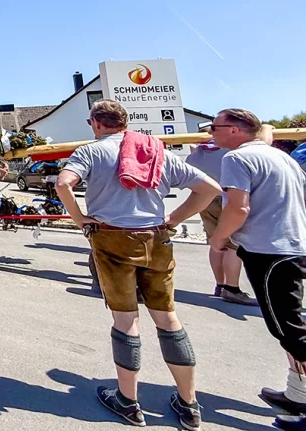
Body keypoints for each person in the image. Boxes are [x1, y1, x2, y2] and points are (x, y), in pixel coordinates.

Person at [55, 100, 221, 429]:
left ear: (96, 123)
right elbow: (209, 189)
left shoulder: (91, 152)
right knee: (167, 318)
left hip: (112, 238)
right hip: (156, 238)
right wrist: (173, 218)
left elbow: (63, 184)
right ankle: (189, 404)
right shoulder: (155, 150)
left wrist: (82, 220)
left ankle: (128, 401)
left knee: (126, 320)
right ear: (125, 122)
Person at [205, 109, 306, 430]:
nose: (210, 133)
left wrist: (220, 238)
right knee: (289, 326)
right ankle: (298, 393)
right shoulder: (281, 157)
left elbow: (239, 207)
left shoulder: (236, 159)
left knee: (290, 330)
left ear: (235, 130)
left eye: (215, 127)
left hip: (270, 251)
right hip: (290, 246)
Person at [187, 123, 274, 305]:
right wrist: (266, 128)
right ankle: (232, 288)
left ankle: (220, 285)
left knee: (215, 242)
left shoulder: (195, 156)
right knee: (233, 244)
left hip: (206, 200)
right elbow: (262, 145)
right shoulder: (231, 151)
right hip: (230, 198)